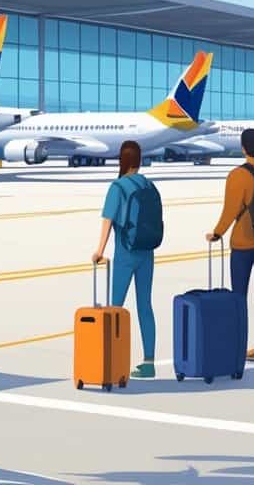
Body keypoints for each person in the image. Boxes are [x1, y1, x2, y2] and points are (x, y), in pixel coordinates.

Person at [91, 140, 159, 379]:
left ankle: (112, 361)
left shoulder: (118, 187)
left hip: (125, 254)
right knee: (145, 306)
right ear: (138, 161)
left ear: (122, 160)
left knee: (115, 308)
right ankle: (149, 362)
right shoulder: (149, 185)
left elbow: (108, 221)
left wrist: (99, 251)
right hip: (147, 252)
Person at [206, 128, 254, 362]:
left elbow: (230, 210)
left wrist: (216, 233)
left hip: (244, 243)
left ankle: (238, 346)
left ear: (243, 146)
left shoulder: (237, 175)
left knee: (239, 297)